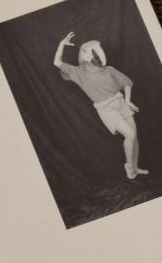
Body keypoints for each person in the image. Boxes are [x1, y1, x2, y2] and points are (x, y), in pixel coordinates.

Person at [53, 31, 148, 180]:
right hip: (106, 109)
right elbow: (57, 62)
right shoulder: (78, 73)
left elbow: (126, 83)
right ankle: (129, 168)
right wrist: (61, 44)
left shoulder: (109, 70)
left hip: (120, 102)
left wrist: (128, 101)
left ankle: (135, 168)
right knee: (130, 135)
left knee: (134, 137)